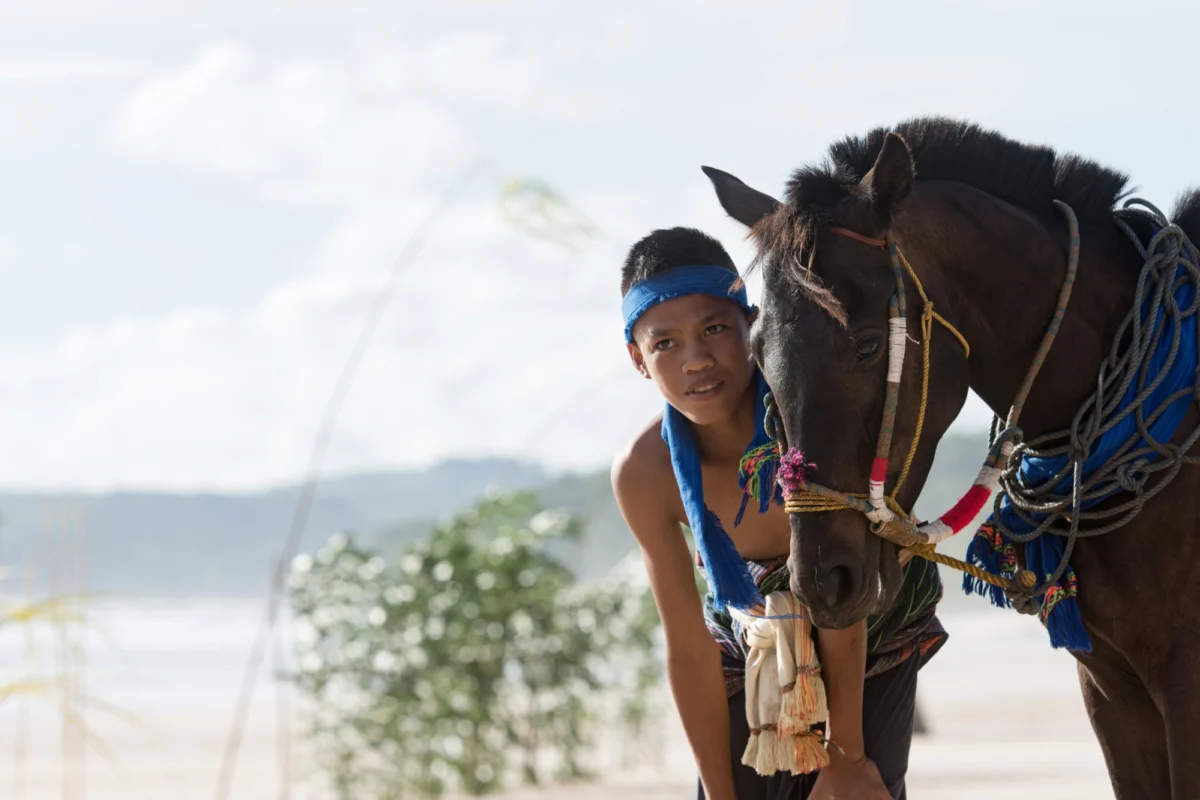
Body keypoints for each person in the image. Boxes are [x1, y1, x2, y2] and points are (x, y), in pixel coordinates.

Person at [610, 227, 946, 800]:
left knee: (857, 789)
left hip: (865, 615)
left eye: (714, 330)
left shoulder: (808, 425)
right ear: (638, 358)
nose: (695, 361)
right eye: (665, 343)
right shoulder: (646, 472)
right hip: (753, 638)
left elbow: (839, 594)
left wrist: (847, 757)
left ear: (753, 325)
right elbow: (690, 648)